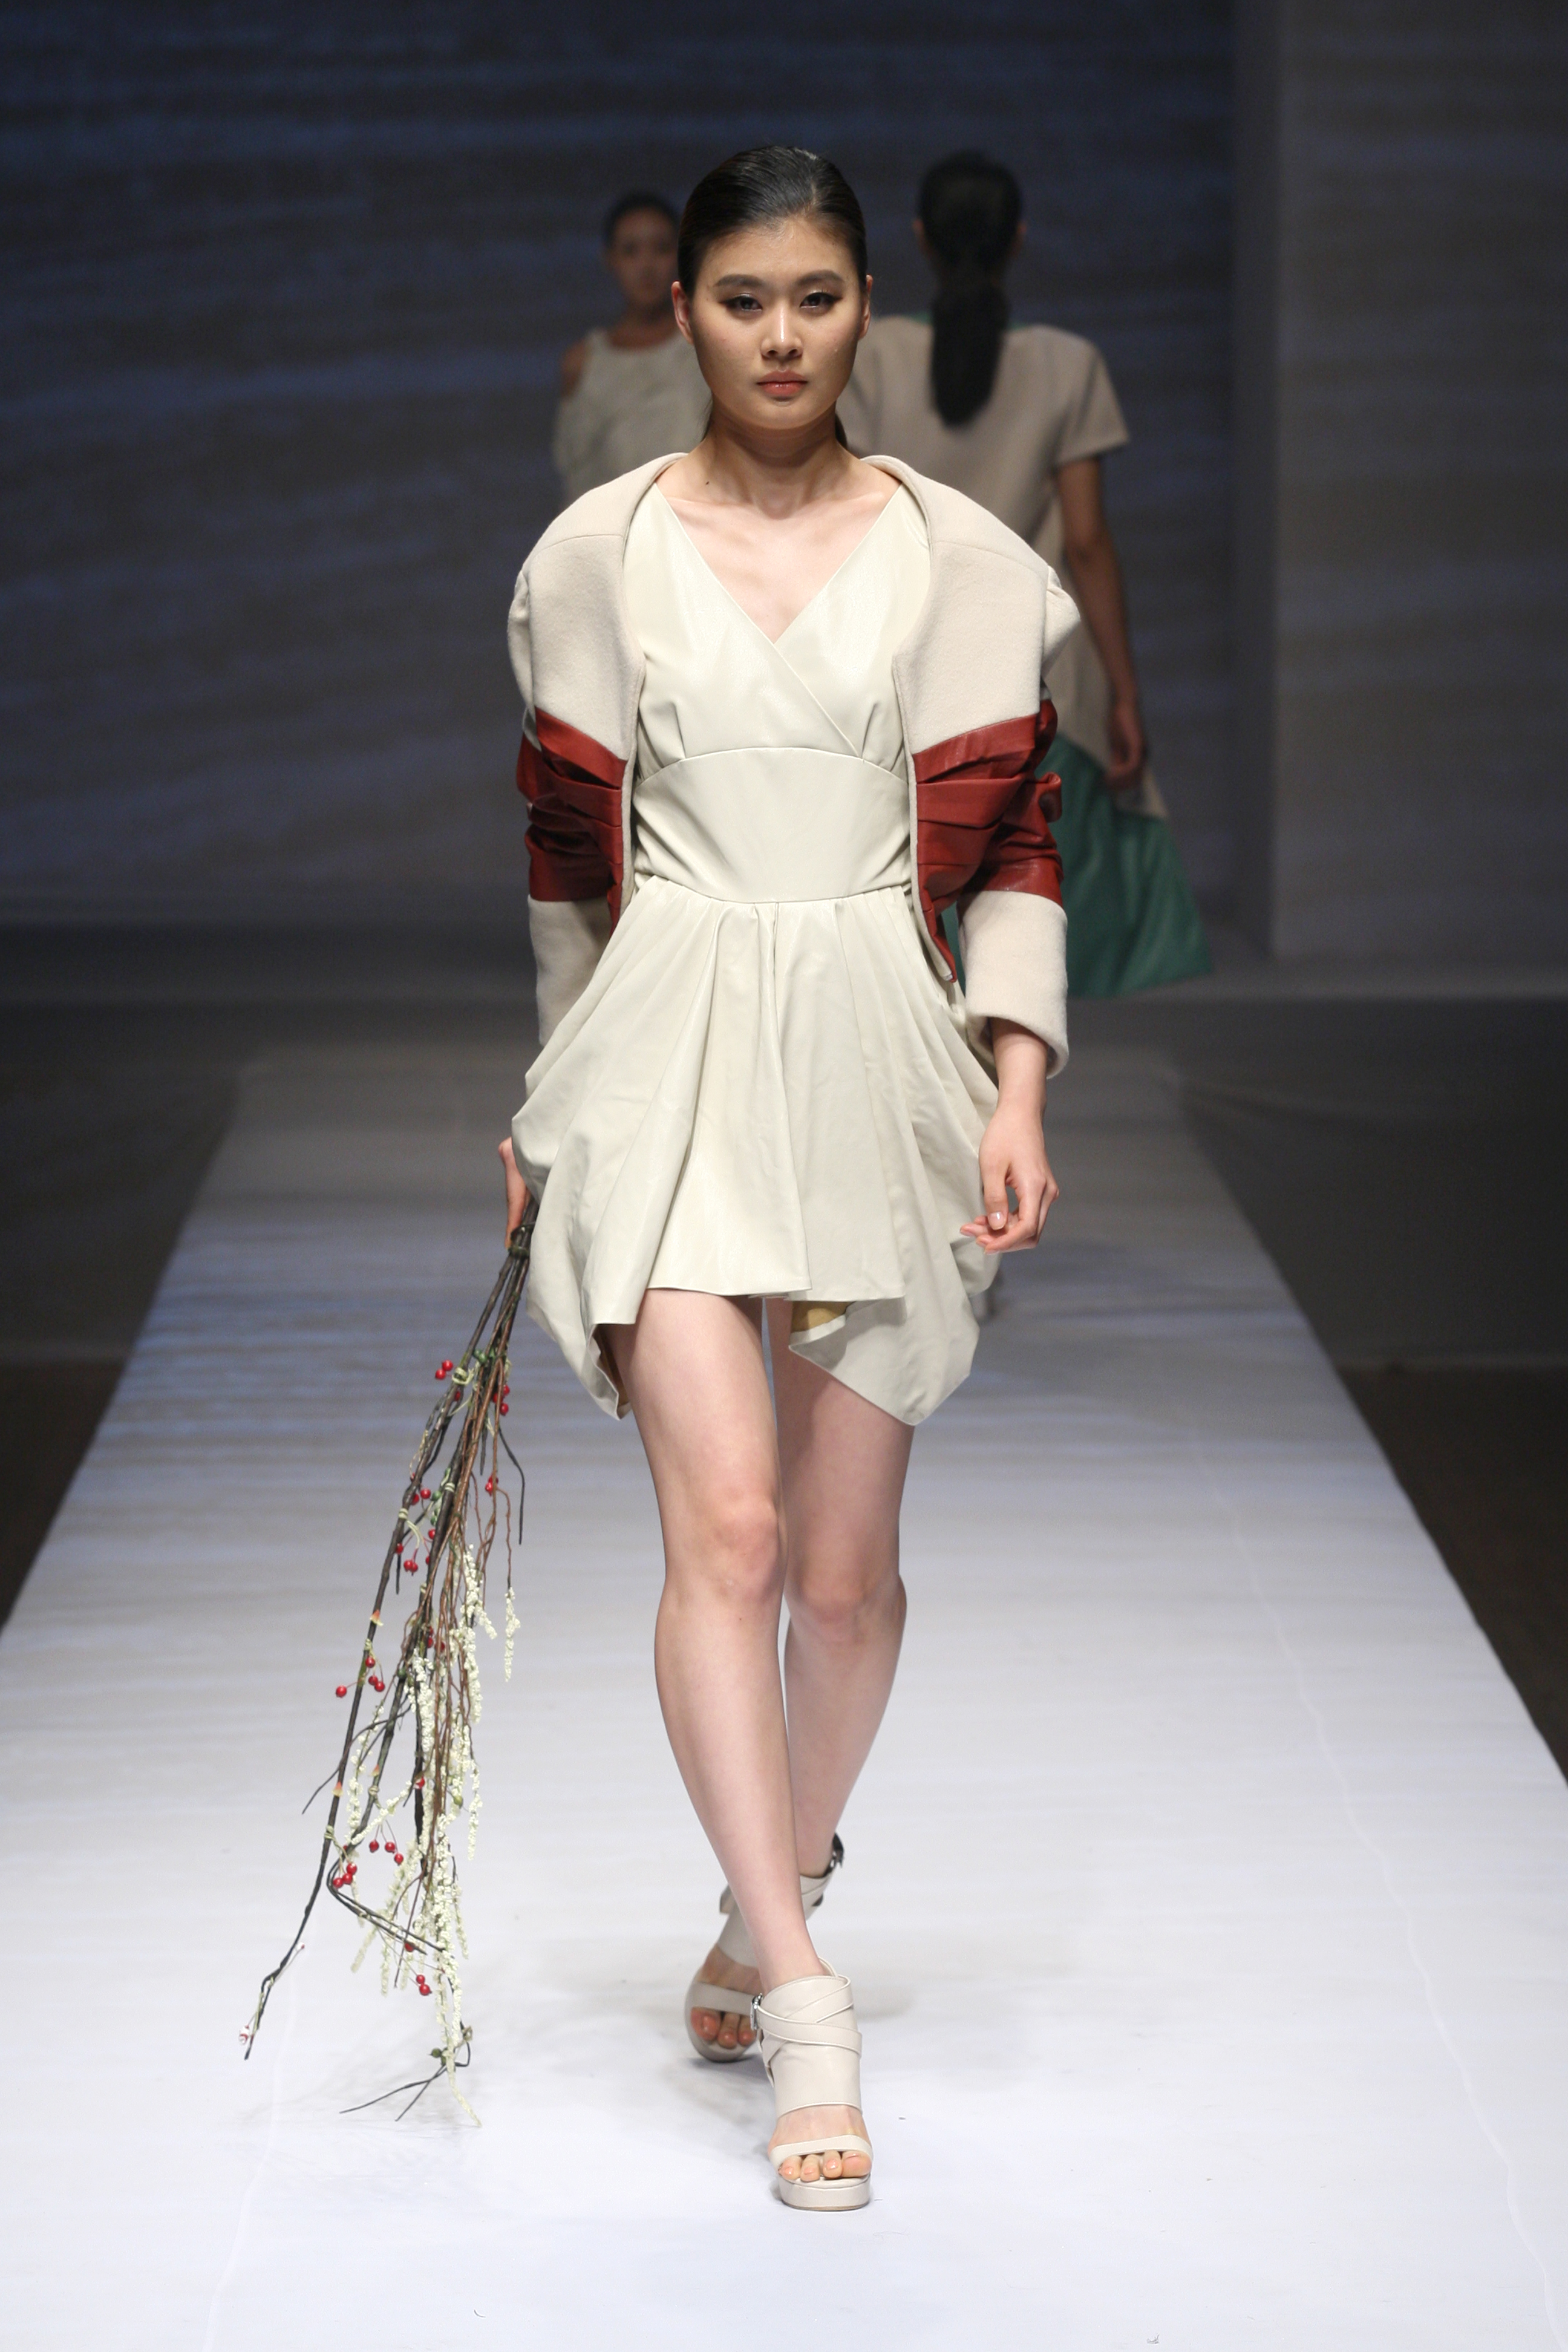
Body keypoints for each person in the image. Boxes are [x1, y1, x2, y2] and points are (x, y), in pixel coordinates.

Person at [500, 145, 1077, 2210]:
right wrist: (546, 1100)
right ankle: (806, 2003)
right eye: (741, 298)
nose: (775, 336)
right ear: (690, 309)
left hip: (874, 1046)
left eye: (813, 298)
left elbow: (1015, 842)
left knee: (842, 1580)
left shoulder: (954, 559)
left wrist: (1017, 1081)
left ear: (862, 312)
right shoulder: (595, 555)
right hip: (659, 1046)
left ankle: (775, 1888)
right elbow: (565, 861)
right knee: (727, 1536)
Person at [838, 151, 1209, 998]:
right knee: (1023, 921)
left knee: (910, 919)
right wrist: (1124, 694)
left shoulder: (871, 356)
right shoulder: (1067, 365)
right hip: (1034, 672)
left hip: (900, 666)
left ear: (921, 239)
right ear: (1019, 239)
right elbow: (1087, 542)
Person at [551, 189, 711, 503]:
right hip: (612, 528)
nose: (646, 266)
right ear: (610, 259)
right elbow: (577, 477)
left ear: (680, 256)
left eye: (661, 248)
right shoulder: (583, 363)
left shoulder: (709, 345)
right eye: (630, 251)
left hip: (705, 522)